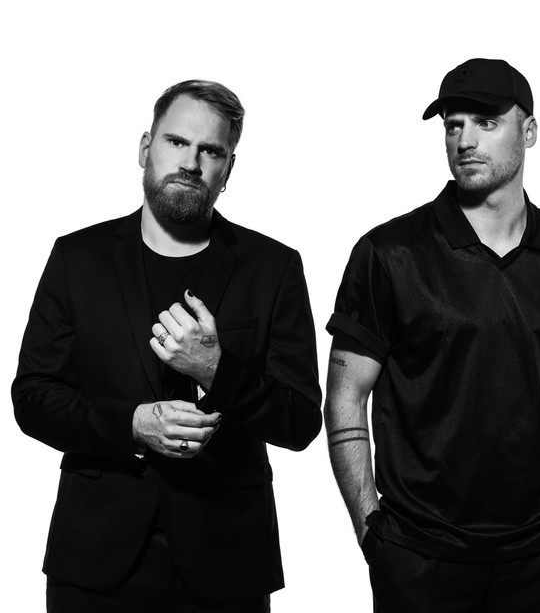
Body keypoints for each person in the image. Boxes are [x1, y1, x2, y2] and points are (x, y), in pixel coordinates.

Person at [13, 79, 322, 612]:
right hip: (94, 561)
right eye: (176, 141)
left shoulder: (273, 267)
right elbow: (33, 397)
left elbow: (299, 422)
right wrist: (133, 424)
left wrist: (215, 369)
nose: (190, 163)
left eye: (210, 151)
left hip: (225, 563)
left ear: (228, 170)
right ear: (145, 148)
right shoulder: (77, 258)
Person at [324, 58, 540, 612]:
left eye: (486, 122)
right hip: (421, 555)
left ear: (529, 131)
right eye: (453, 125)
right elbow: (345, 394)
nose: (465, 141)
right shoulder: (389, 254)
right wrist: (374, 535)